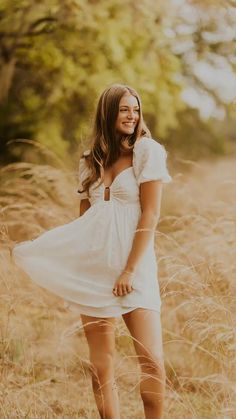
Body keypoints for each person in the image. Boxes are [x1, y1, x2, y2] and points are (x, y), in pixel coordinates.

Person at [12, 83, 172, 419]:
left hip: (134, 271)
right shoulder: (90, 161)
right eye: (124, 109)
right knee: (101, 366)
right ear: (108, 112)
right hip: (96, 271)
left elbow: (151, 213)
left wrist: (128, 270)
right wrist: (72, 265)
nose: (132, 115)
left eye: (136, 109)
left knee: (153, 362)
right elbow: (84, 221)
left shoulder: (147, 152)